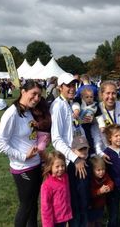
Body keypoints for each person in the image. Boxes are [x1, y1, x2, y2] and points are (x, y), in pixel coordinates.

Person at [0, 80, 45, 227]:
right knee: (26, 206)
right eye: (33, 94)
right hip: (23, 168)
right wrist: (23, 156)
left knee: (33, 204)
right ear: (23, 91)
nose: (36, 98)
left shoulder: (29, 112)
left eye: (39, 96)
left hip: (36, 165)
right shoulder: (11, 114)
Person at [50, 72, 92, 227]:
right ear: (60, 87)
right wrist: (75, 158)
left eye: (73, 85)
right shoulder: (58, 106)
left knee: (82, 202)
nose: (72, 88)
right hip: (71, 162)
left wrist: (80, 122)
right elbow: (56, 138)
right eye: (68, 85)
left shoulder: (68, 103)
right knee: (76, 204)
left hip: (79, 157)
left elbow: (71, 130)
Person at [40, 151, 73, 227]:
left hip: (64, 217)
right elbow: (45, 208)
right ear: (50, 167)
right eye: (57, 166)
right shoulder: (46, 185)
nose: (61, 168)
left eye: (63, 165)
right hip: (54, 221)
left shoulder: (65, 177)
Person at [72, 87, 103, 156]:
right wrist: (76, 110)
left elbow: (99, 116)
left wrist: (101, 126)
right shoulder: (80, 102)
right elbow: (75, 104)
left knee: (89, 138)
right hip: (78, 125)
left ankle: (92, 153)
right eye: (87, 97)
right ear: (82, 97)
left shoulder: (95, 106)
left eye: (91, 97)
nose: (89, 99)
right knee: (79, 139)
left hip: (88, 126)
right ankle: (79, 152)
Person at [88, 156, 114, 227]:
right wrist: (99, 191)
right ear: (93, 170)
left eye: (103, 169)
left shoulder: (105, 175)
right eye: (98, 170)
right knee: (91, 222)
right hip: (92, 206)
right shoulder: (91, 179)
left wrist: (109, 187)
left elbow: (111, 182)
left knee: (99, 220)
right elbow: (90, 193)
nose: (101, 172)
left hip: (101, 205)